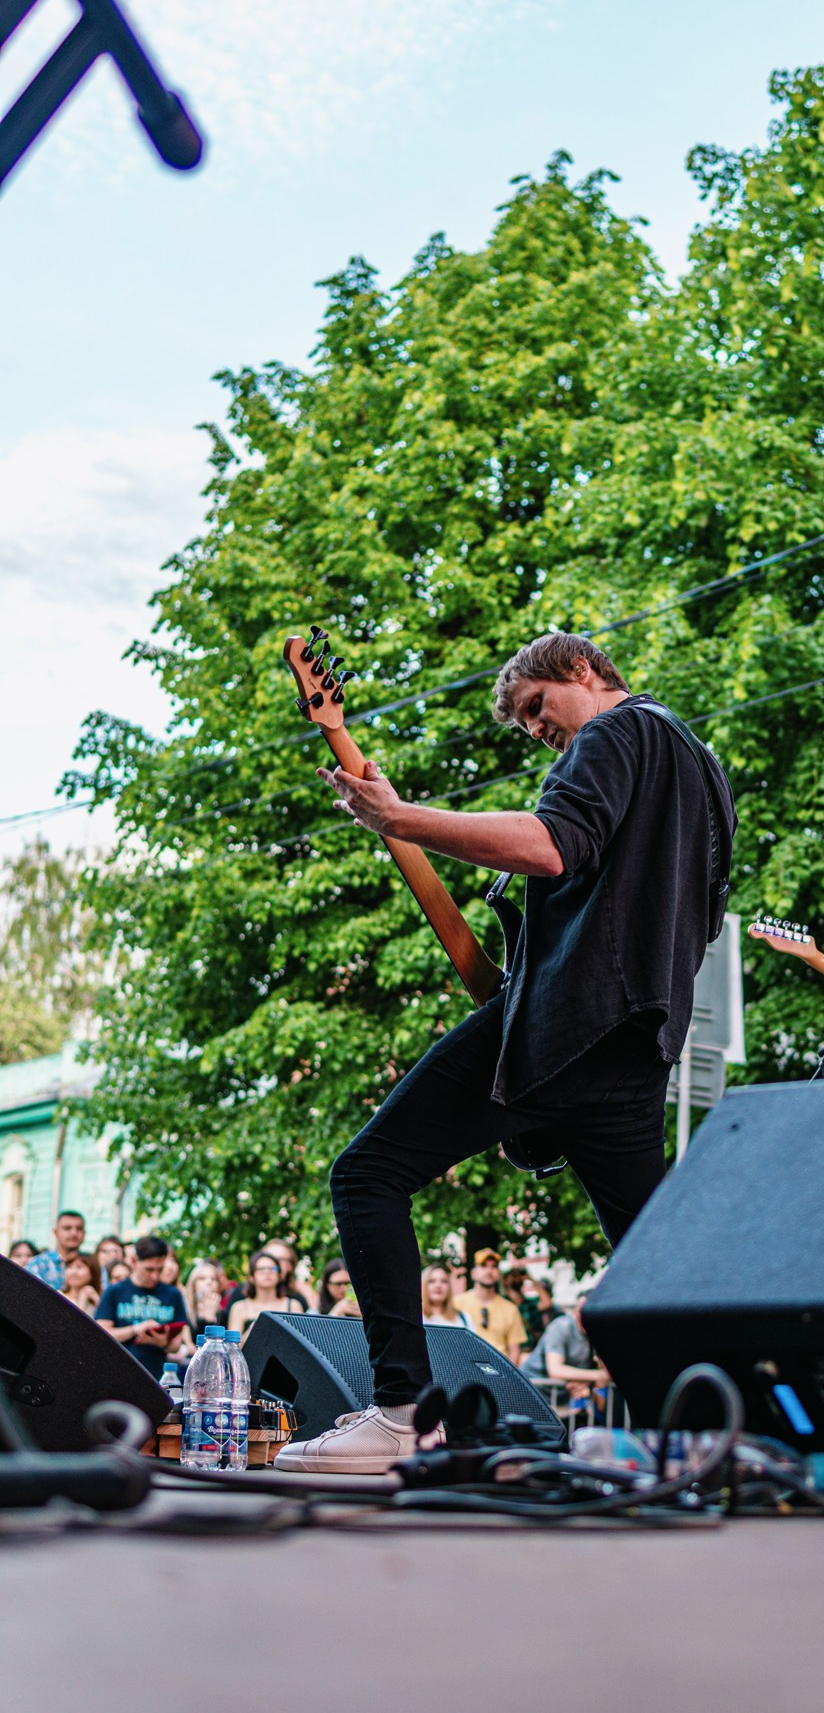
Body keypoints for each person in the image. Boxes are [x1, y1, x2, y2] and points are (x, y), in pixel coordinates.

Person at [277, 631, 735, 1474]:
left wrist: (401, 816)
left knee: (367, 1175)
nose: (536, 730)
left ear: (586, 670)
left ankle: (402, 1412)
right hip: (638, 1047)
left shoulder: (618, 730)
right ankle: (704, 1434)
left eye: (537, 707)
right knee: (652, 1267)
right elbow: (534, 957)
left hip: (567, 1031)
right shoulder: (699, 766)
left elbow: (552, 843)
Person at [95, 1233, 192, 1376]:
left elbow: (176, 1345)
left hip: (157, 1376)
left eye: (160, 1269)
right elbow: (100, 1333)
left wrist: (163, 1343)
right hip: (118, 1373)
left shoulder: (173, 1294)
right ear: (134, 1261)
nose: (155, 1276)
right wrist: (136, 1329)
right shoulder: (115, 1291)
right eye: (149, 1269)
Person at [521, 1292, 612, 1411]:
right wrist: (598, 1376)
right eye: (581, 1310)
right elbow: (555, 1370)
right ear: (575, 1312)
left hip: (560, 1398)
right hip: (530, 1390)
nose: (585, 1315)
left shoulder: (600, 1333)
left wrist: (587, 1381)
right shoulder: (561, 1327)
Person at [454, 1250, 527, 1357]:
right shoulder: (456, 1303)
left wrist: (508, 1373)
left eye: (494, 1266)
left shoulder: (510, 1309)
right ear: (473, 1273)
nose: (489, 1270)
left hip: (499, 1370)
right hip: (464, 1367)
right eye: (483, 1266)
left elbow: (514, 1352)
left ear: (498, 1274)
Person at [225, 1249, 307, 1339]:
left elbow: (301, 1343)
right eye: (261, 1269)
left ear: (279, 1275)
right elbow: (232, 1348)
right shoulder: (239, 1308)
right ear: (251, 1277)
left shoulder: (294, 1306)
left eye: (272, 1268)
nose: (267, 1272)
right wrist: (251, 1332)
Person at [25, 1211, 87, 1291]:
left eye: (79, 1229)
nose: (74, 1233)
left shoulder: (93, 1265)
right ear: (56, 1232)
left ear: (84, 1233)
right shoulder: (39, 1264)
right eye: (67, 1228)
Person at [421, 1261, 474, 1328]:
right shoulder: (416, 1318)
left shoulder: (463, 1319)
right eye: (432, 1281)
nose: (438, 1285)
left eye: (444, 1281)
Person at [183, 1259, 225, 1338]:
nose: (209, 1282)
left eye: (213, 1279)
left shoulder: (222, 1314)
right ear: (193, 1284)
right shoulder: (184, 1309)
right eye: (202, 1278)